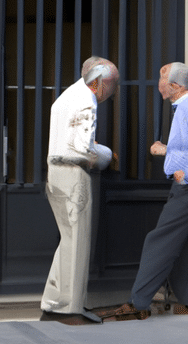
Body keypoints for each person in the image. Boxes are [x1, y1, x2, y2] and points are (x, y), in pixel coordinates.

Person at [101, 62, 188, 321]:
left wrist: (187, 173)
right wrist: (168, 150)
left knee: (158, 240)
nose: (158, 84)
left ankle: (138, 304)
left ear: (176, 86)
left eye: (161, 78)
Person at [40, 58, 119, 324]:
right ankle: (71, 309)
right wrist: (106, 155)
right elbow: (82, 149)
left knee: (67, 241)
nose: (111, 91)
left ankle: (53, 303)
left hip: (55, 172)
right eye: (111, 85)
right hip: (74, 175)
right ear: (99, 82)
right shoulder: (86, 99)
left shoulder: (65, 97)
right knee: (78, 244)